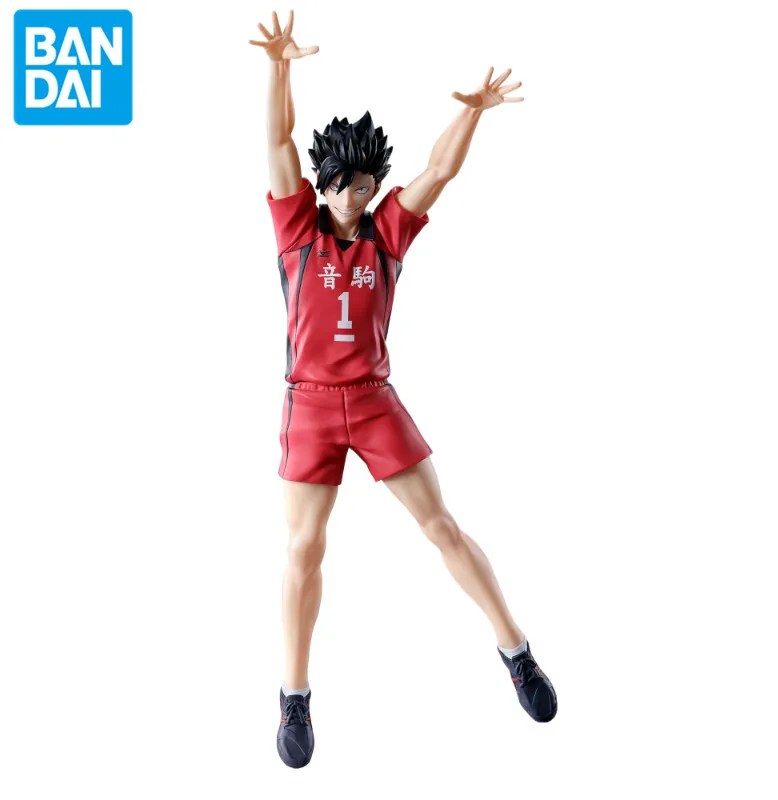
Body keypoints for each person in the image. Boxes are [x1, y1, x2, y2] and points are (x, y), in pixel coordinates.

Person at [250, 10, 557, 769]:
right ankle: (294, 694)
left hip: (375, 398)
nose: (354, 195)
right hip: (310, 404)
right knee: (303, 548)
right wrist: (279, 67)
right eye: (343, 184)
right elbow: (277, 142)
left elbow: (438, 173)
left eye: (365, 185)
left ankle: (515, 650)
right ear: (325, 182)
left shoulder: (387, 231)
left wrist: (472, 113)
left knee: (441, 526)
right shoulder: (297, 229)